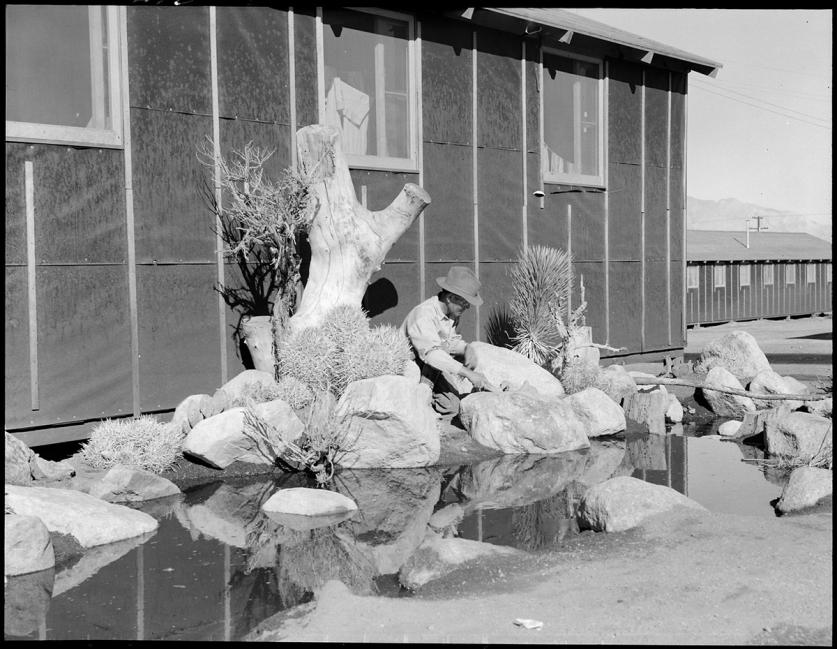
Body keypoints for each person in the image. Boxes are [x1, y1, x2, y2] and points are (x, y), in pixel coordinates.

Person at [400, 266, 500, 417]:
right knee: (435, 358)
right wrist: (468, 374)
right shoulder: (424, 315)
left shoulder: (452, 312)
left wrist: (466, 349)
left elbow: (449, 342)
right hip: (410, 365)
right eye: (465, 302)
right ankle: (420, 400)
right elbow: (431, 355)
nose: (468, 306)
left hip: (432, 365)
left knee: (452, 407)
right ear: (450, 298)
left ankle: (430, 396)